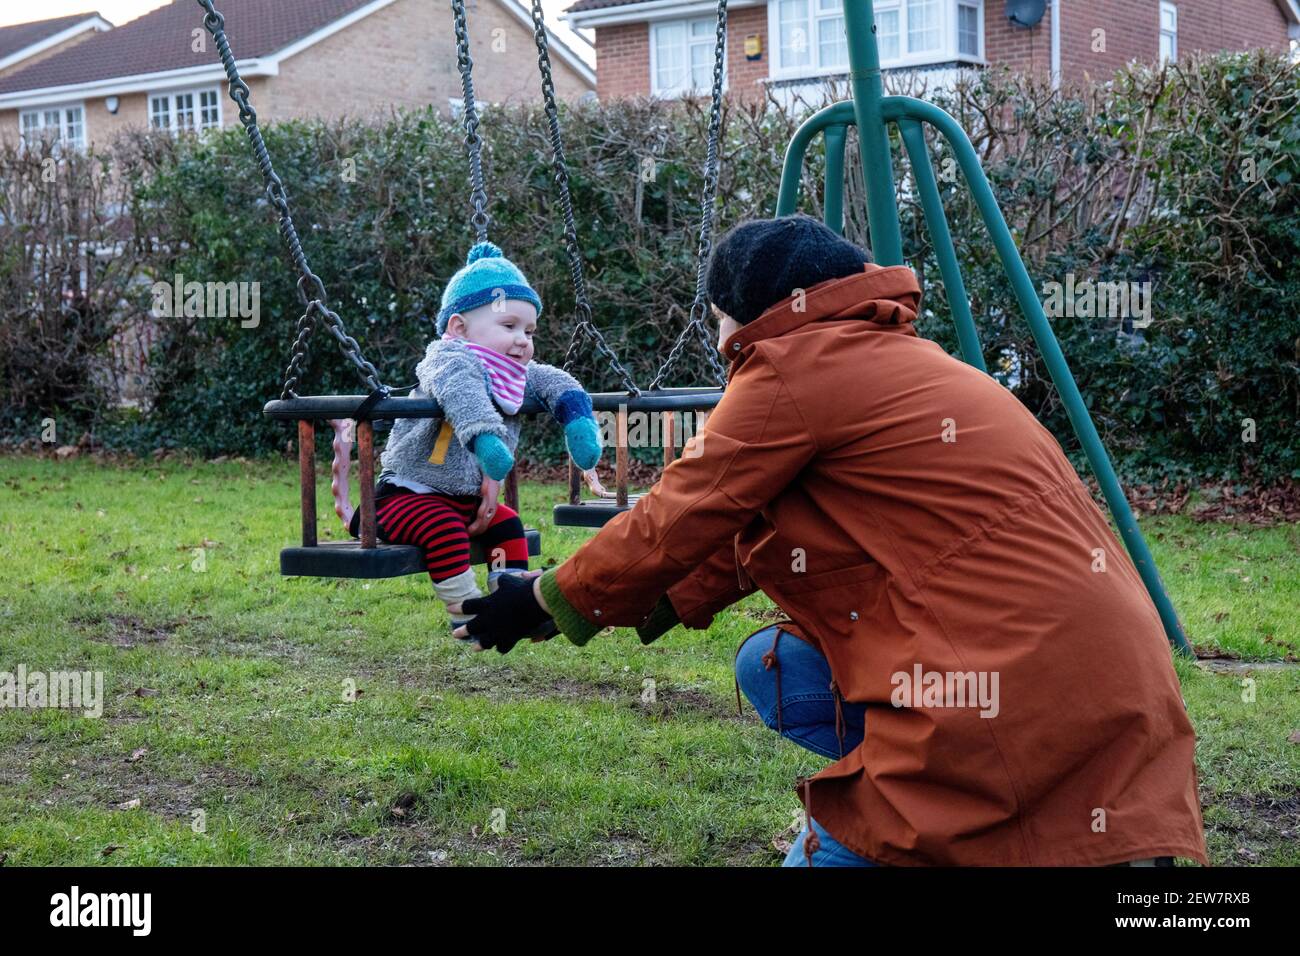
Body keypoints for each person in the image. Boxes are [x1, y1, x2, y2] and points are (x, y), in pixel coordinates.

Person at [452, 214, 1208, 867]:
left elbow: (682, 513)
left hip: (1003, 694)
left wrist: (544, 600)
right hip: (1116, 692)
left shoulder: (793, 365)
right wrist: (590, 602)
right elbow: (743, 536)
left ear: (740, 315)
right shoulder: (908, 360)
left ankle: (948, 823)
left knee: (877, 827)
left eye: (715, 321)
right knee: (770, 666)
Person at [349, 241, 601, 638]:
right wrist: (486, 440)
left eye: (529, 330)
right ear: (459, 328)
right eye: (509, 327)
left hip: (459, 501)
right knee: (442, 528)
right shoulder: (447, 360)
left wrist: (578, 421)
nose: (523, 340)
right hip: (401, 499)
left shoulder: (514, 371)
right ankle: (468, 612)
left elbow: (557, 381)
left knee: (508, 523)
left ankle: (512, 594)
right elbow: (463, 394)